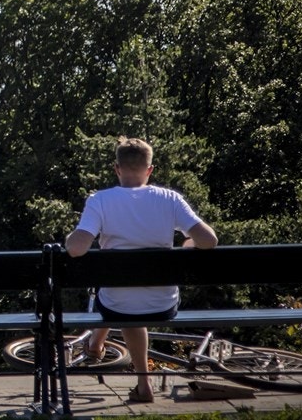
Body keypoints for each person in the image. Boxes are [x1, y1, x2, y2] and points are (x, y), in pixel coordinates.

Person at [65, 137, 218, 404]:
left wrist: (70, 238)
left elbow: (76, 248)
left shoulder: (100, 201)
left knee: (118, 299)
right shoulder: (170, 199)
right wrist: (187, 245)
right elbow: (209, 241)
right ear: (150, 170)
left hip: (116, 302)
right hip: (164, 302)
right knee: (126, 298)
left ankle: (138, 379)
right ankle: (101, 349)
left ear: (117, 168)